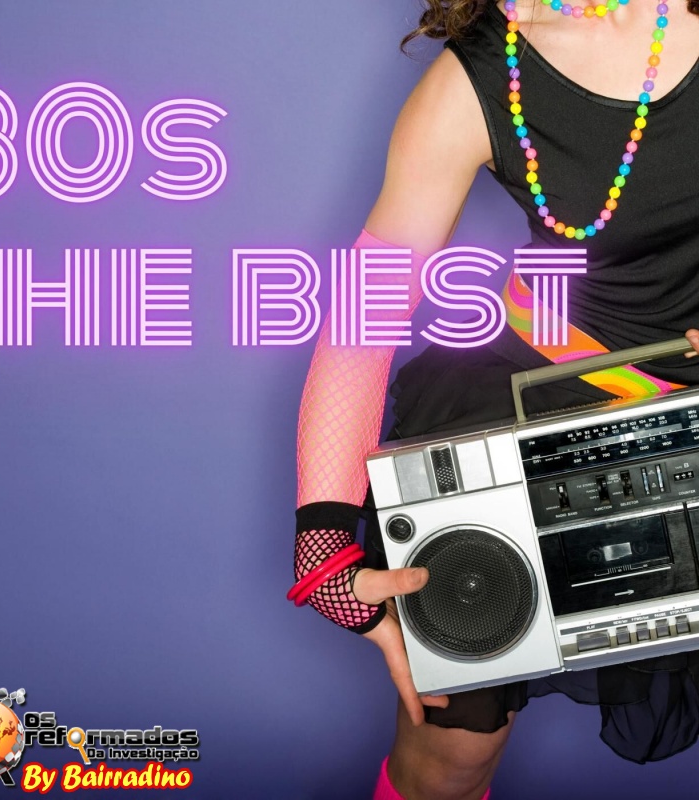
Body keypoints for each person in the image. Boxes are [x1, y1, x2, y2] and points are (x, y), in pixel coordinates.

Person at [290, 0, 699, 797]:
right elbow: (364, 318)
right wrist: (323, 544)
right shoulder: (477, 80)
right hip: (543, 398)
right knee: (450, 754)